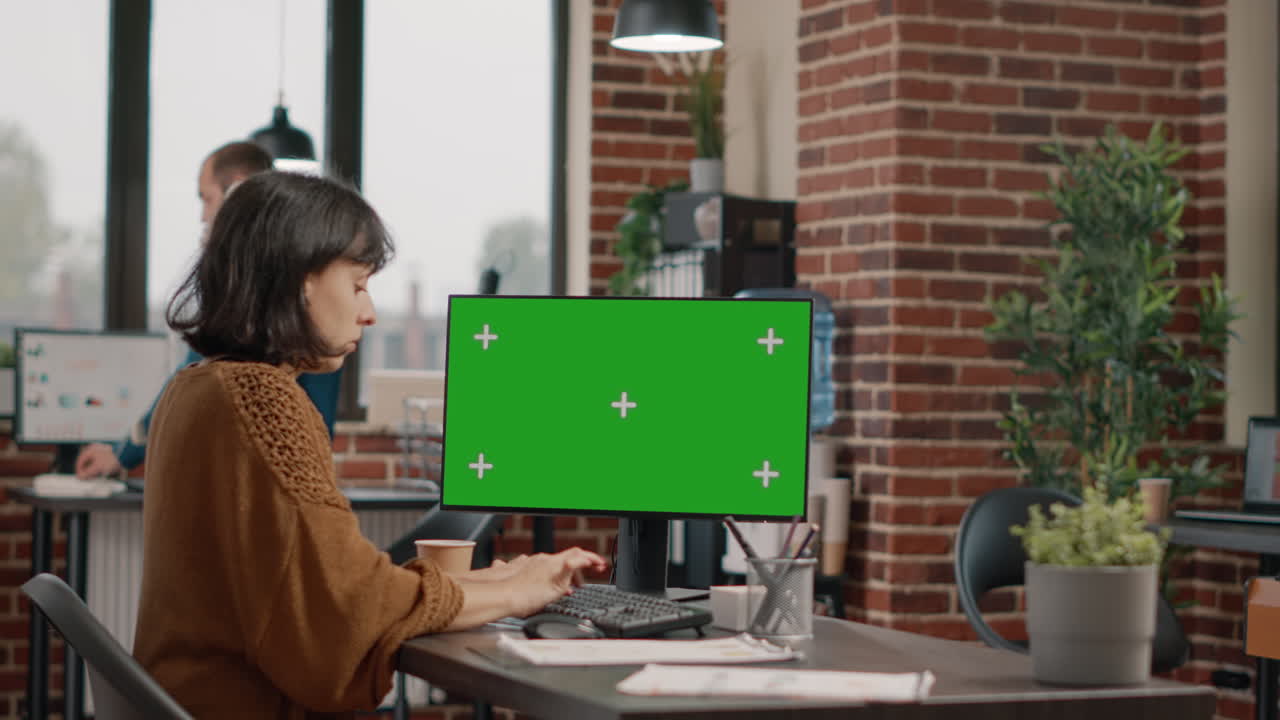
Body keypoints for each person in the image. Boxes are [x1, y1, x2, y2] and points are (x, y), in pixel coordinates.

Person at [132, 170, 608, 716]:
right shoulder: (260, 398)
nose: (370, 311)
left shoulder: (193, 389)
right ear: (298, 280)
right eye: (357, 284)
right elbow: (347, 613)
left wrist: (490, 585)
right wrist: (517, 592)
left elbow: (327, 587)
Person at [74, 140, 342, 479]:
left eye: (207, 198)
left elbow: (192, 378)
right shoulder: (290, 273)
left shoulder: (263, 286)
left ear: (237, 191)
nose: (203, 215)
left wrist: (122, 454)